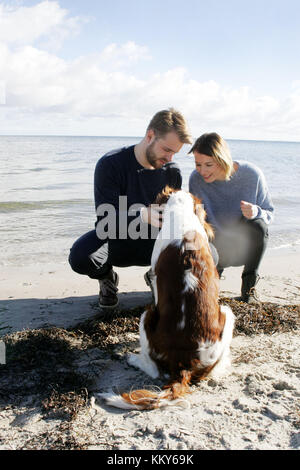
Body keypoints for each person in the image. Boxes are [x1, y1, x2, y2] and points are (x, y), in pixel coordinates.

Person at [69, 108, 192, 310]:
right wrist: (143, 214)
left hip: (154, 244)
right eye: (166, 150)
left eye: (174, 153)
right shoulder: (111, 164)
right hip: (117, 243)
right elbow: (105, 222)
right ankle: (107, 278)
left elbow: (174, 219)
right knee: (81, 256)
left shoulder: (172, 171)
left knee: (205, 252)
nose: (170, 158)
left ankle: (157, 275)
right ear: (150, 135)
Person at [188, 132, 274, 303]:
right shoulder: (195, 179)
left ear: (222, 159)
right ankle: (212, 279)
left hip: (243, 246)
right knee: (203, 299)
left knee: (259, 226)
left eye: (208, 164)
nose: (202, 171)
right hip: (215, 246)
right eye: (198, 164)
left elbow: (269, 213)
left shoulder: (251, 174)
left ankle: (248, 289)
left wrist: (256, 212)